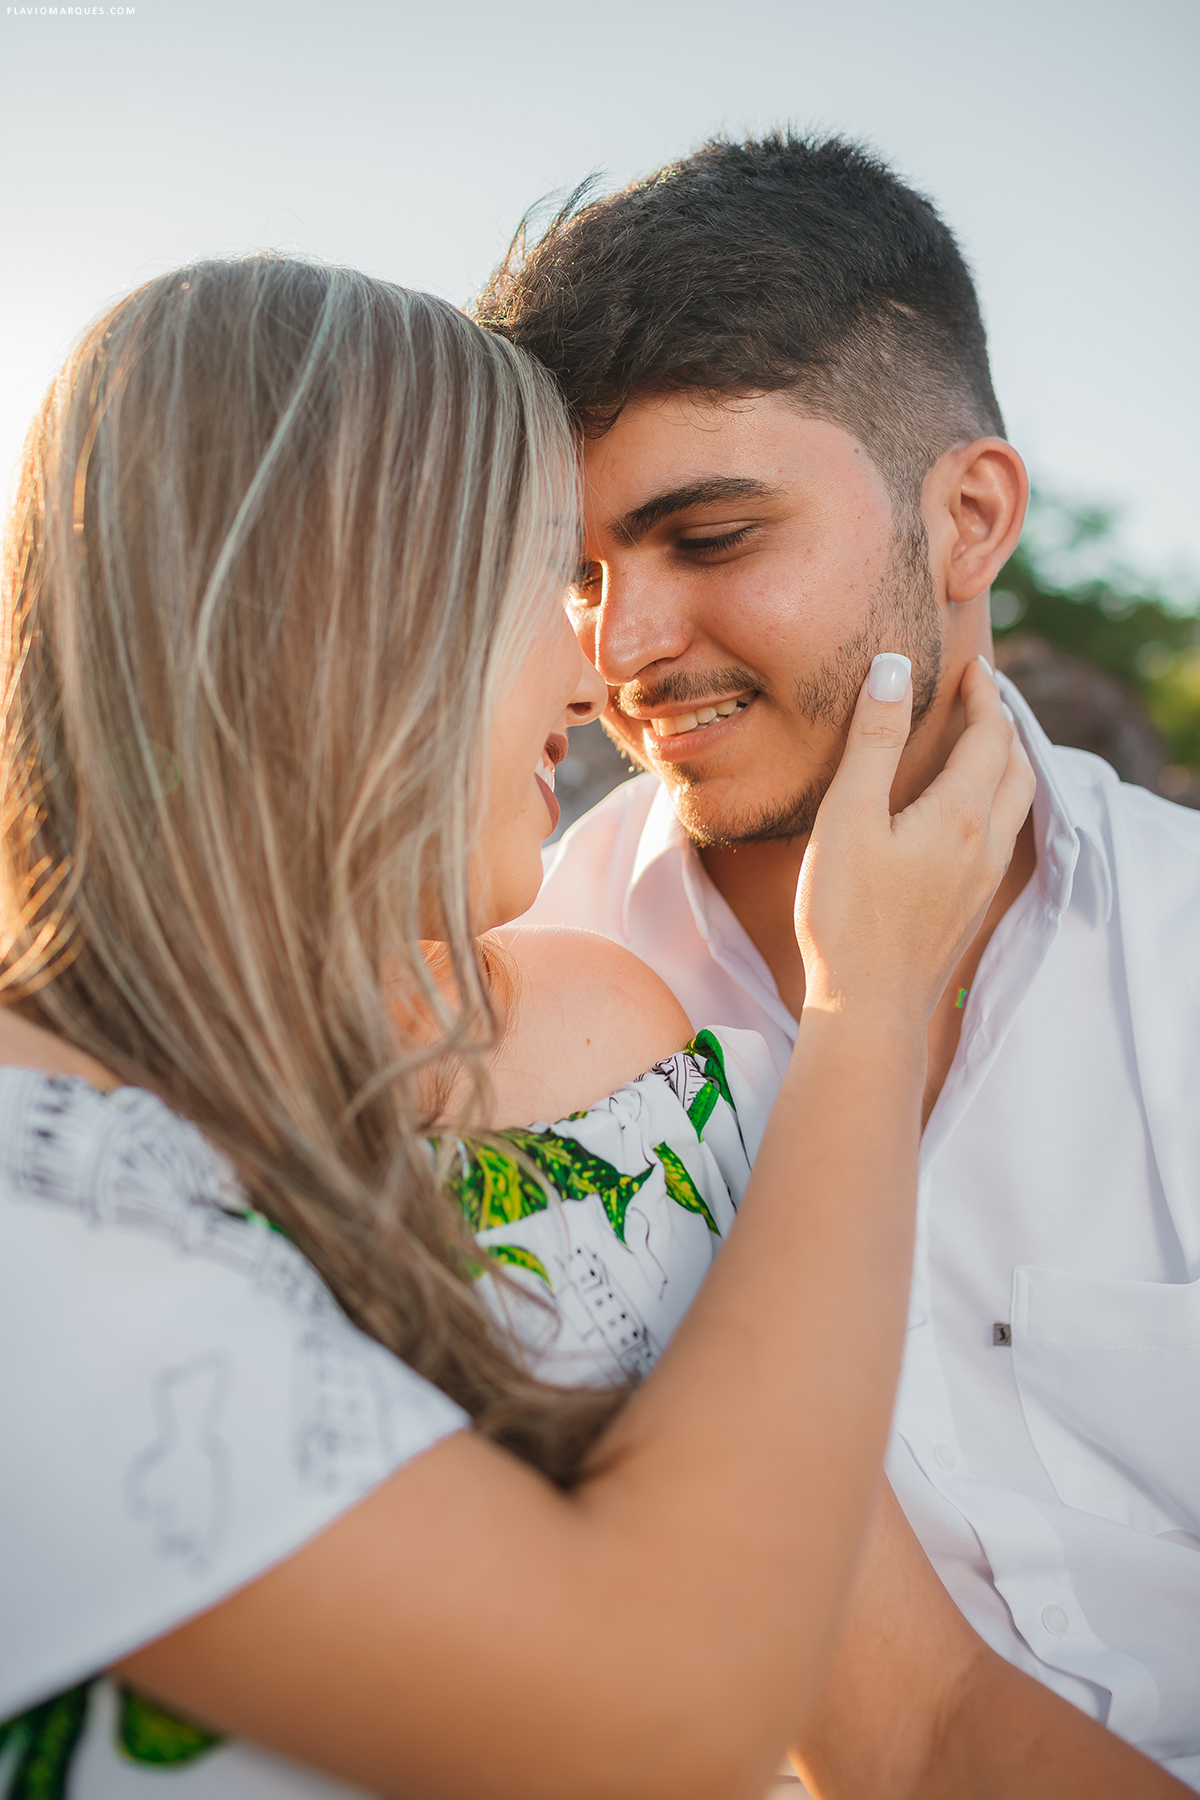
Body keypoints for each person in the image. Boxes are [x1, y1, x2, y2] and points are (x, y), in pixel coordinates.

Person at [0, 255, 1179, 1800]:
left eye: (711, 537)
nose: (601, 663)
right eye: (545, 583)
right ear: (315, 618)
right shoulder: (38, 1191)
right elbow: (668, 1715)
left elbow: (917, 1721)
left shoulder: (591, 1051)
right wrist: (868, 1005)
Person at [477, 131, 1200, 1790]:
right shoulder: (533, 1008)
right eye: (578, 574)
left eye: (711, 537)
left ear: (968, 518)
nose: (620, 650)